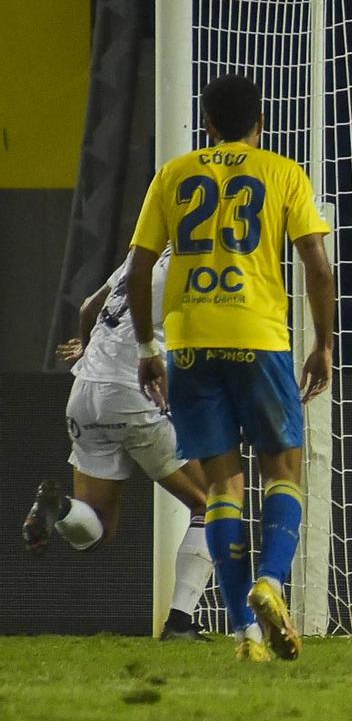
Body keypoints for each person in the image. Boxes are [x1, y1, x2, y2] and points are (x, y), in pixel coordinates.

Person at [127, 74, 335, 663]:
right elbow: (317, 266)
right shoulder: (283, 172)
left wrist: (149, 349)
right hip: (259, 337)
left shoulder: (173, 174)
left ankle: (246, 631)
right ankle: (270, 580)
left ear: (208, 122)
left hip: (191, 343)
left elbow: (139, 268)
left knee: (221, 486)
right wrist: (323, 345)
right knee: (283, 469)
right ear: (260, 121)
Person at [22, 255, 214, 641]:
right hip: (133, 391)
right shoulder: (201, 261)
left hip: (84, 391)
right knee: (211, 505)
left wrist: (91, 349)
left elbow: (89, 308)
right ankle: (179, 623)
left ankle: (58, 508)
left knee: (97, 529)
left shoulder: (142, 255)